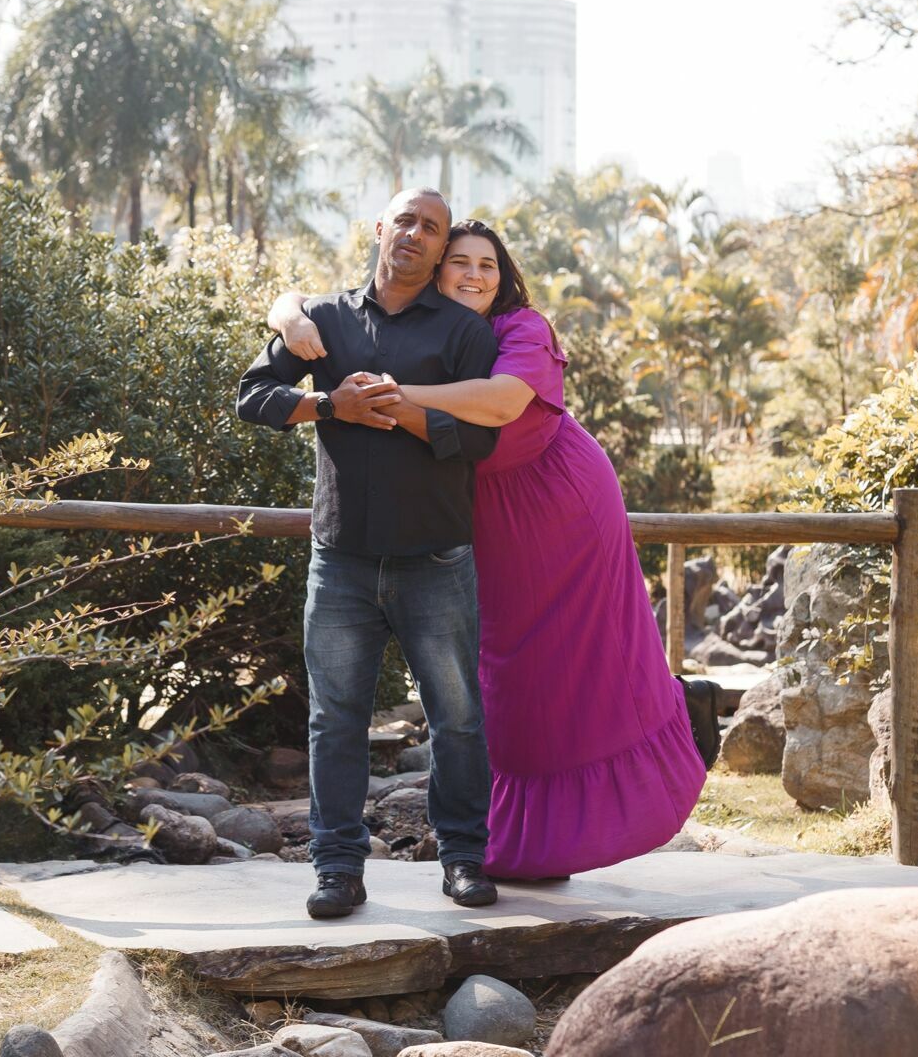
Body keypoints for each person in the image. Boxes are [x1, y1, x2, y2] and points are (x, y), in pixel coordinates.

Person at [269, 219, 707, 880]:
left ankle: (662, 737)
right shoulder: (421, 326)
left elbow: (502, 405)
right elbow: (313, 302)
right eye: (460, 262)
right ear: (435, 268)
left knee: (575, 664)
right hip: (482, 516)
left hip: (563, 506)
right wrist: (286, 311)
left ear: (504, 281)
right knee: (501, 678)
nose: (474, 275)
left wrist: (391, 393)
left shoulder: (521, 329)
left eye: (489, 266)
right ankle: (511, 840)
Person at [236, 188, 503, 919]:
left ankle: (465, 860)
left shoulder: (462, 333)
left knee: (457, 719)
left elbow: (481, 441)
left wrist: (407, 414)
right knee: (334, 720)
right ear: (380, 229)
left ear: (441, 247)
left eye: (432, 228)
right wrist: (331, 405)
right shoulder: (321, 321)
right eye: (406, 221)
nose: (415, 234)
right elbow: (252, 396)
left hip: (437, 562)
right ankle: (337, 870)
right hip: (342, 561)